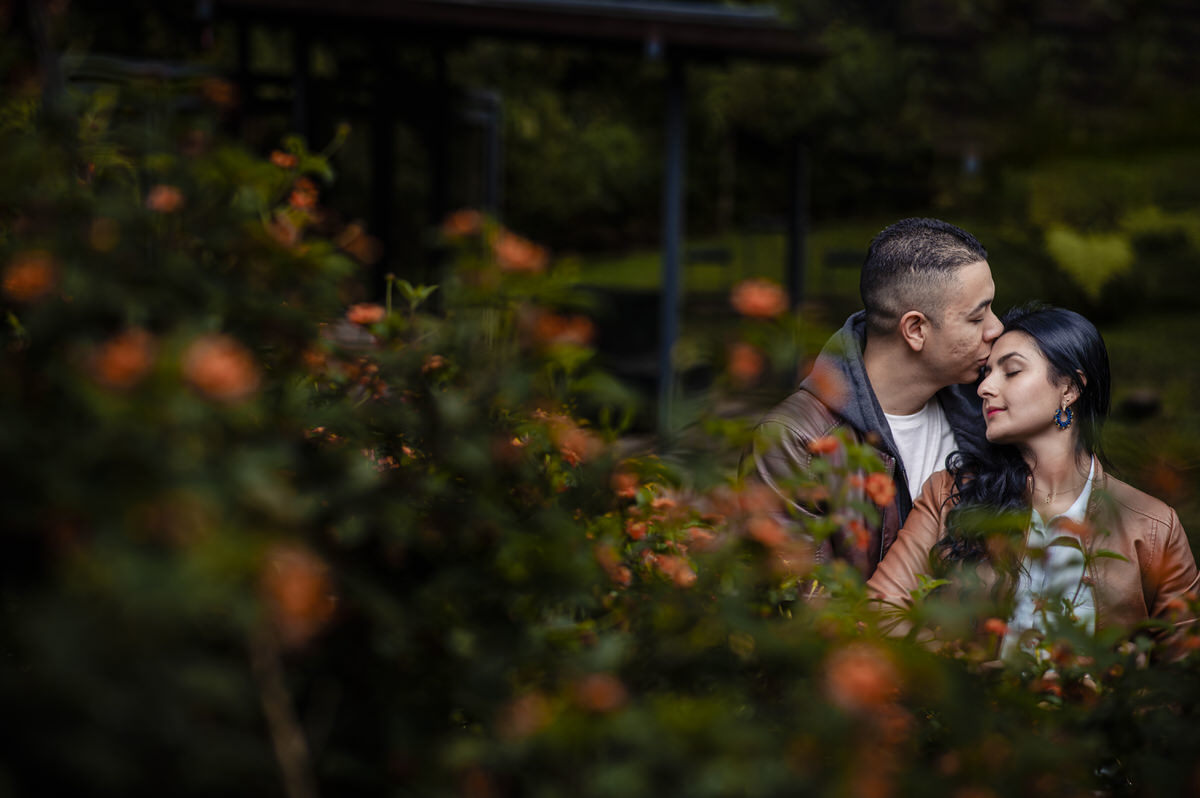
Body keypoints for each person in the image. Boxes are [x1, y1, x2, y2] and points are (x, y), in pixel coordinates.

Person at [867, 305, 1199, 653]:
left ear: (1069, 389)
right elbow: (879, 611)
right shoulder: (951, 494)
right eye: (986, 373)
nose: (985, 387)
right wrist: (964, 674)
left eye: (1011, 371)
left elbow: (1184, 672)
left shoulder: (1153, 527)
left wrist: (1109, 696)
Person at [746, 218, 1003, 579]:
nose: (997, 329)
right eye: (978, 316)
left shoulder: (989, 405)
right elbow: (800, 609)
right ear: (915, 329)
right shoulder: (798, 440)